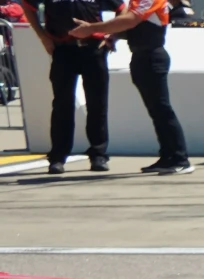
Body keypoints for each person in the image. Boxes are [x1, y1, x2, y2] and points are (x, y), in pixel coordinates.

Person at [70, 0, 186, 172]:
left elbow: (130, 20)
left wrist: (91, 28)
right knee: (156, 110)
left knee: (161, 109)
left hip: (152, 56)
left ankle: (179, 158)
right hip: (141, 56)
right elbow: (132, 26)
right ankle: (168, 156)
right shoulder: (136, 2)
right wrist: (113, 35)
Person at [33, 0, 107, 175]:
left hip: (93, 49)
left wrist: (111, 36)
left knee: (97, 104)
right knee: (62, 105)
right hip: (63, 50)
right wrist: (43, 36)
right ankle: (58, 157)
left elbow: (122, 10)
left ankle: (98, 154)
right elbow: (28, 7)